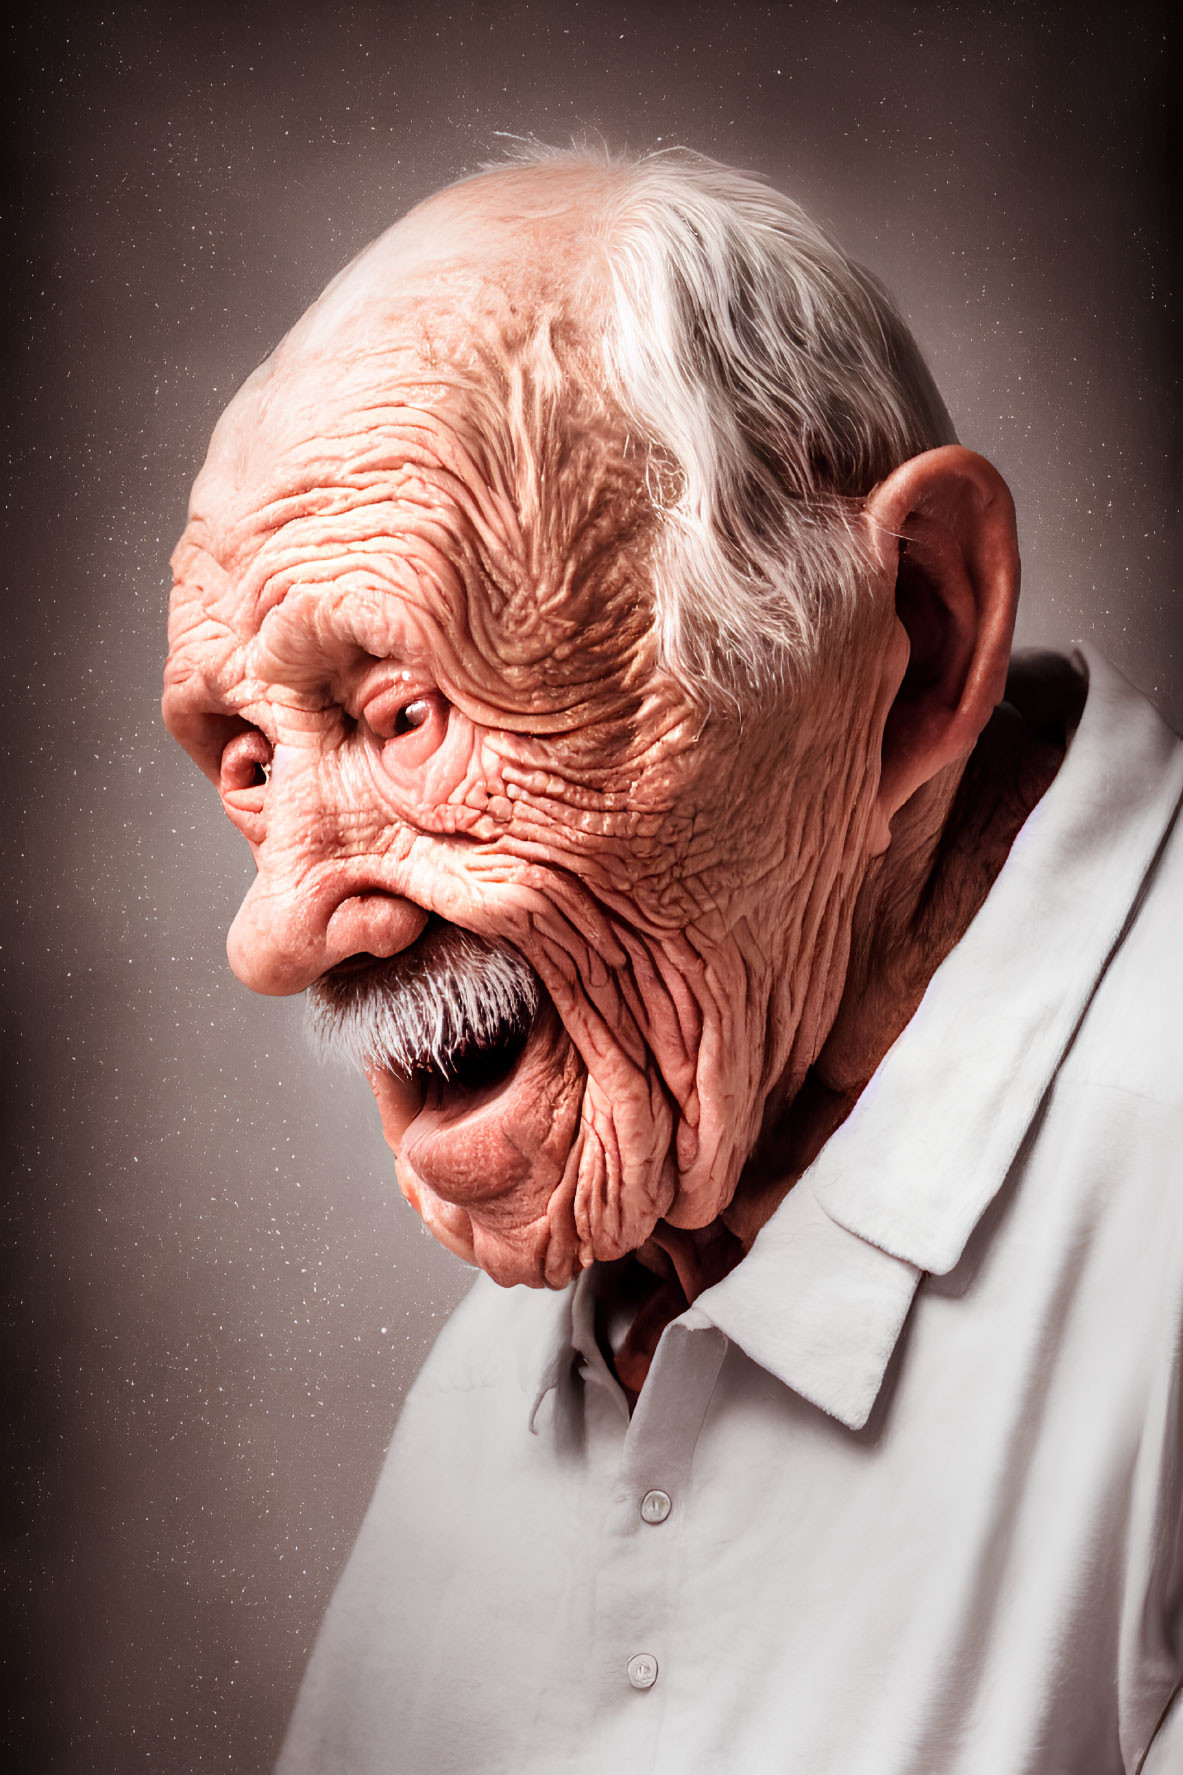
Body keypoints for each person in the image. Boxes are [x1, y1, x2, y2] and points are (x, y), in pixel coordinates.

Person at [162, 145, 1183, 1773]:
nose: (276, 933)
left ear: (908, 640)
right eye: (250, 760)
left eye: (403, 712)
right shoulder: (631, 1216)